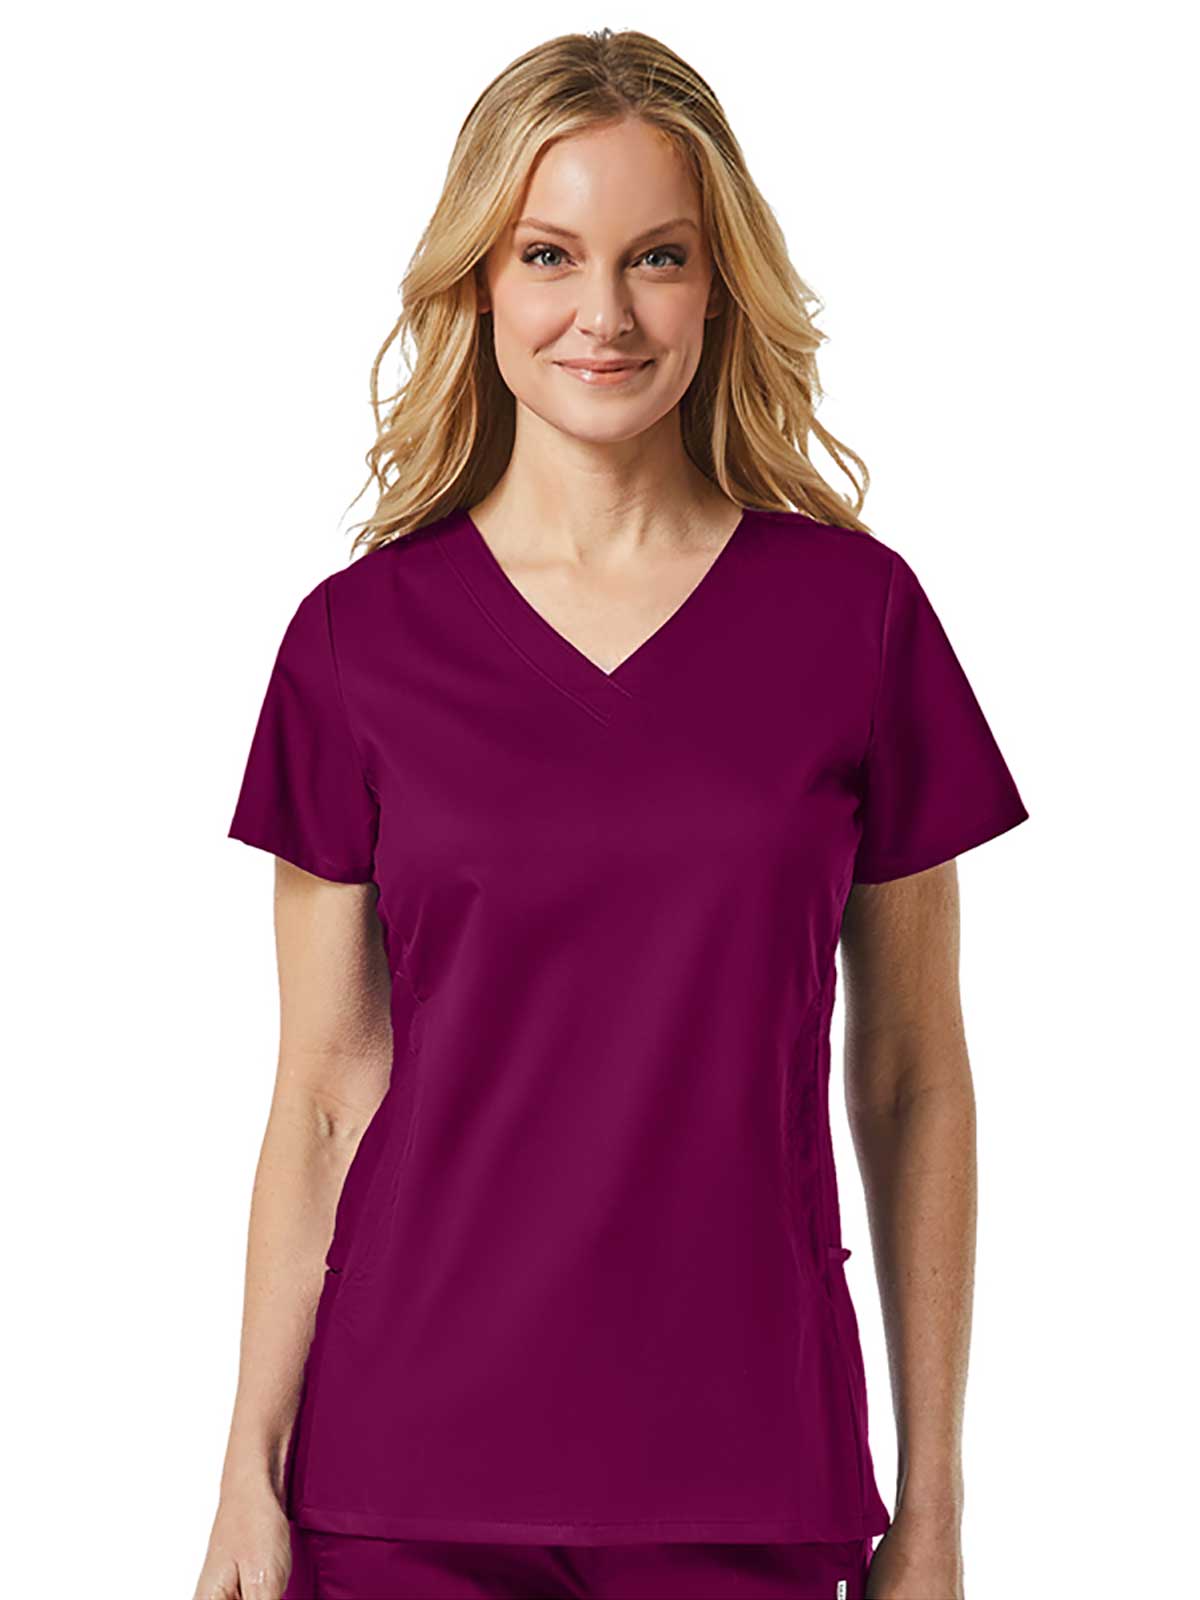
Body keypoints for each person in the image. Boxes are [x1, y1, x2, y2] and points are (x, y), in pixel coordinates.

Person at [194, 27, 1030, 1600]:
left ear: (719, 290)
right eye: (549, 255)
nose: (605, 313)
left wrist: (934, 1510)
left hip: (751, 1471)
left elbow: (917, 1074)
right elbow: (321, 1093)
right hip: (401, 1482)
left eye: (658, 256)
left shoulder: (858, 622)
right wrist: (248, 1471)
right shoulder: (355, 644)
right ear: (477, 285)